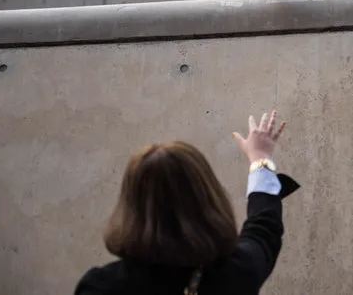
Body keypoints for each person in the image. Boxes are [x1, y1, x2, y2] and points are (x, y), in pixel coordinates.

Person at [74, 110, 300, 295]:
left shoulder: (100, 287)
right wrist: (260, 157)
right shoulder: (236, 274)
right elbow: (264, 228)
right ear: (209, 200)